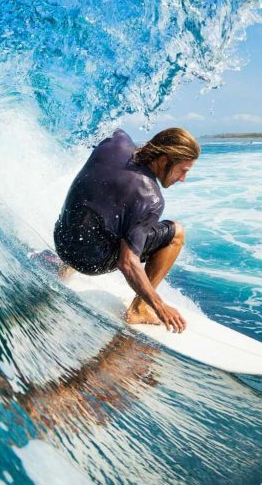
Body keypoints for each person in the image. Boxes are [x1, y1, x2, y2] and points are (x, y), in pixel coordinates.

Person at [53, 127, 198, 332]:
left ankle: (63, 268)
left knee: (104, 205)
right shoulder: (151, 198)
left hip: (62, 241)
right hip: (90, 263)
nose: (183, 178)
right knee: (177, 232)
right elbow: (128, 262)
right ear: (165, 160)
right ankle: (139, 309)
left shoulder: (116, 140)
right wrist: (160, 305)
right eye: (183, 170)